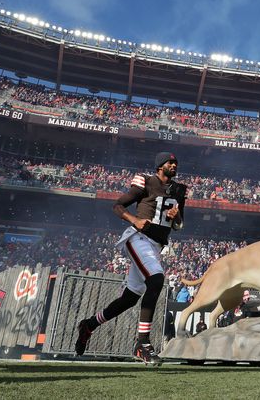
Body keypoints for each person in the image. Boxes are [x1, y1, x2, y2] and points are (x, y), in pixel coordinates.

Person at [75, 152, 187, 365]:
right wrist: (133, 219)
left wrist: (177, 217)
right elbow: (117, 205)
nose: (173, 165)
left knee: (130, 298)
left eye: (175, 162)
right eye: (169, 162)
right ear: (159, 166)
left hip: (156, 247)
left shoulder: (180, 190)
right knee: (156, 280)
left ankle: (89, 325)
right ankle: (142, 343)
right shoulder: (146, 182)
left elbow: (179, 226)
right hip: (139, 238)